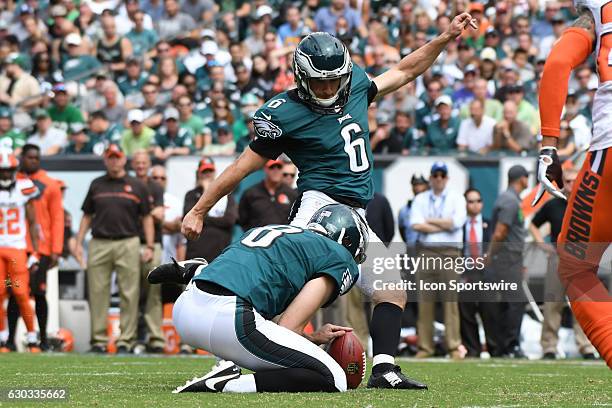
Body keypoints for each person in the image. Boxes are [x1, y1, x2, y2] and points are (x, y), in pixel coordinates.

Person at [182, 20, 476, 389]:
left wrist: (445, 38)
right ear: (302, 78)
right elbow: (243, 166)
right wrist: (199, 209)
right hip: (320, 207)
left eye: (333, 80)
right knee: (295, 286)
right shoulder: (284, 113)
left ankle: (384, 369)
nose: (327, 88)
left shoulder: (353, 86)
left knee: (391, 289)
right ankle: (234, 359)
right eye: (319, 82)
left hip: (354, 212)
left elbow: (405, 69)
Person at [150, 204, 366, 393]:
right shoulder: (339, 256)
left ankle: (198, 270)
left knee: (250, 307)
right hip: (228, 319)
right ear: (347, 240)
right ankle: (227, 384)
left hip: (187, 309)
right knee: (334, 378)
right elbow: (287, 328)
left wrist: (314, 337)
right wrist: (309, 340)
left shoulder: (273, 230)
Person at [534, 0, 612, 368]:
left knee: (575, 266)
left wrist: (549, 144)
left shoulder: (598, 8)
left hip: (609, 154)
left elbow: (558, 62)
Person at [75, 144, 154, 354]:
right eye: (110, 157)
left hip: (128, 241)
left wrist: (148, 245)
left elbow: (147, 217)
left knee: (130, 293)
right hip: (99, 241)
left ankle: (125, 340)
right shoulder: (96, 184)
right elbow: (86, 215)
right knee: (97, 292)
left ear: (123, 159)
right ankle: (99, 340)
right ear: (105, 160)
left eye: (117, 157)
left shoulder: (137, 185)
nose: (114, 161)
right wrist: (78, 241)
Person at [530, 168, 595, 360]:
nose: (571, 185)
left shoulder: (588, 205)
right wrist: (542, 245)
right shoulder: (553, 205)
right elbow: (533, 224)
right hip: (558, 258)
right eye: (568, 181)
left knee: (583, 305)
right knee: (552, 302)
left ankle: (586, 346)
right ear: (562, 183)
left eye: (575, 181)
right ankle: (549, 346)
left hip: (581, 259)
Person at [5, 145, 63, 351]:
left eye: (36, 157)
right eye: (29, 157)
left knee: (39, 293)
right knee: (14, 293)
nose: (33, 161)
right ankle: (10, 339)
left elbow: (57, 217)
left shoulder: (50, 184)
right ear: (21, 158)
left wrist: (56, 247)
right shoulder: (12, 182)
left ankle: (43, 339)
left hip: (41, 247)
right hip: (17, 245)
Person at [409, 162, 466, 359]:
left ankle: (453, 346)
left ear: (447, 178)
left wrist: (430, 221)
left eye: (442, 175)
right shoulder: (421, 199)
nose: (439, 178)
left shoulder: (456, 197)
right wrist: (445, 224)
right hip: (426, 252)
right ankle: (425, 347)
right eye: (435, 175)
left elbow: (457, 222)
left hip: (450, 252)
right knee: (425, 302)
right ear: (431, 177)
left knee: (450, 302)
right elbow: (415, 224)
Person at [486, 165, 529, 358]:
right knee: (515, 302)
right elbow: (500, 232)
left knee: (506, 302)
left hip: (510, 258)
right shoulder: (510, 201)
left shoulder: (509, 199)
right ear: (521, 179)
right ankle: (510, 345)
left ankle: (503, 346)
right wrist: (490, 256)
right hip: (507, 258)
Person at [0, 151, 40, 353]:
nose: (6, 174)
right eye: (3, 170)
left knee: (21, 293)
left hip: (16, 249)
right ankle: (3, 339)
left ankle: (32, 338)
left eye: (9, 170)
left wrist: (35, 251)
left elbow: (33, 223)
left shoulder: (24, 187)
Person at [131, 150, 165, 353]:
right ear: (133, 165)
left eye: (144, 162)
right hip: (131, 241)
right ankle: (130, 337)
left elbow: (159, 215)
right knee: (130, 293)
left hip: (154, 243)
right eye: (137, 162)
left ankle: (155, 338)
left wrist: (140, 213)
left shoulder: (155, 187)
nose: (141, 166)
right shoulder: (127, 183)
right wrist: (148, 213)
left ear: (148, 164)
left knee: (154, 293)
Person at [459, 188, 497, 358]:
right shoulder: (460, 226)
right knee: (466, 313)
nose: (475, 205)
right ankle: (472, 349)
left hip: (485, 272)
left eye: (478, 201)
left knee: (489, 311)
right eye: (471, 201)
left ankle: (494, 348)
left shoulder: (490, 224)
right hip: (466, 273)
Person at [183, 157, 237, 262]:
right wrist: (205, 191)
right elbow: (189, 219)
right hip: (196, 254)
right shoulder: (191, 195)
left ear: (214, 172)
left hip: (220, 255)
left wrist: (202, 217)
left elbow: (229, 220)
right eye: (204, 171)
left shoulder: (226, 195)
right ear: (198, 173)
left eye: (210, 171)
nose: (208, 174)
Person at [238, 159, 298, 230]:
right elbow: (242, 219)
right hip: (258, 238)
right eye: (272, 167)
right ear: (265, 169)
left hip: (283, 238)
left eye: (279, 167)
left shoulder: (291, 193)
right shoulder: (251, 193)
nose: (276, 171)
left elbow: (296, 218)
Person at [398, 175, 429, 245]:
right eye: (415, 184)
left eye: (420, 184)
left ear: (426, 186)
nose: (418, 187)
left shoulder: (432, 206)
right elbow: (402, 231)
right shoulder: (404, 210)